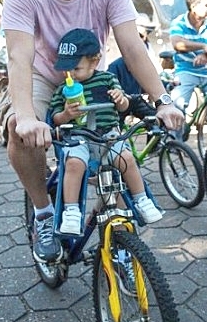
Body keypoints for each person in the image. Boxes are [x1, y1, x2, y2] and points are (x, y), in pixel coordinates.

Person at [1, 0, 182, 264]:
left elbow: (132, 47)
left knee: (112, 147)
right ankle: (43, 213)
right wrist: (26, 117)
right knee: (19, 131)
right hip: (43, 75)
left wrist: (163, 100)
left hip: (90, 75)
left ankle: (118, 236)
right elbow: (18, 57)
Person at [49, 29, 162, 244]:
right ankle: (71, 211)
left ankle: (141, 199)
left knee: (126, 158)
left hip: (107, 137)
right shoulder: (62, 90)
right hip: (79, 138)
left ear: (94, 61)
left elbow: (124, 107)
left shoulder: (108, 80)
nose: (70, 75)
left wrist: (120, 99)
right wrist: (66, 114)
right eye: (66, 69)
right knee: (73, 164)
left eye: (76, 68)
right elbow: (55, 118)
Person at [169, 0, 207, 114]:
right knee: (177, 104)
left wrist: (205, 56)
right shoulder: (179, 23)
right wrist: (203, 46)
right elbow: (177, 44)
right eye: (206, 5)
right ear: (193, 7)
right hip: (185, 69)